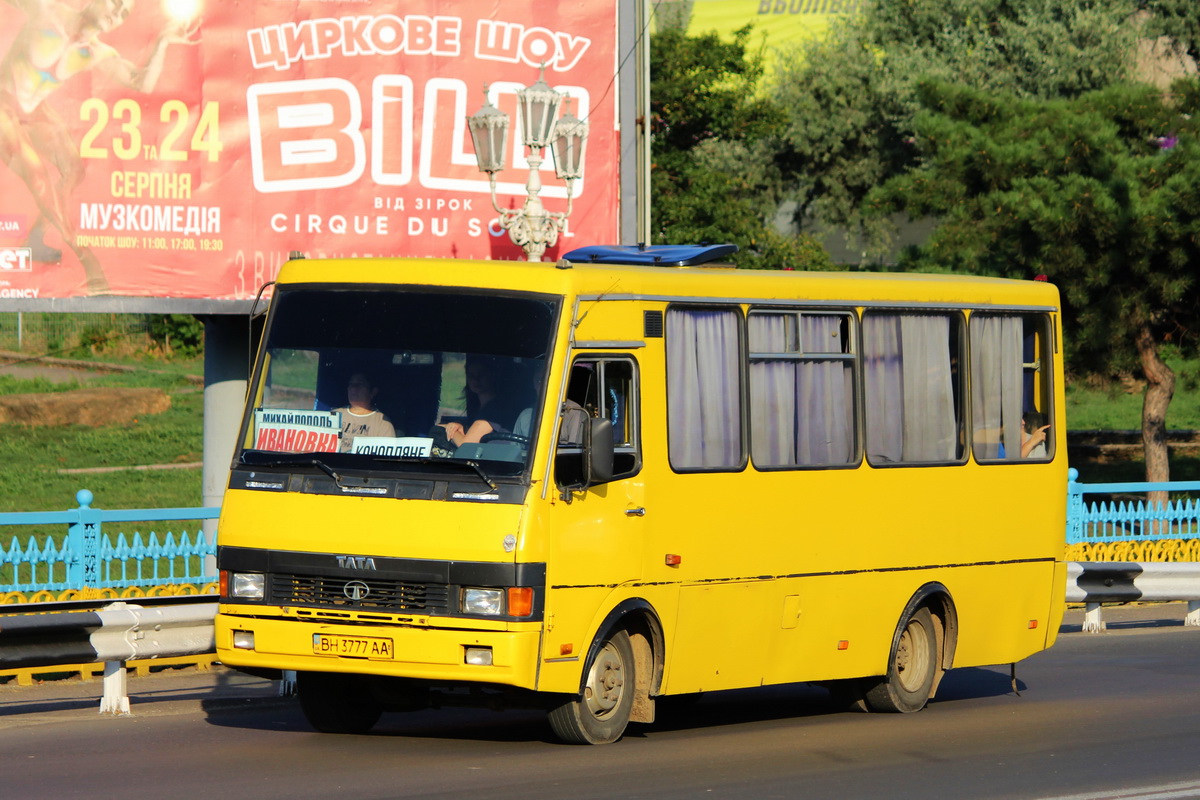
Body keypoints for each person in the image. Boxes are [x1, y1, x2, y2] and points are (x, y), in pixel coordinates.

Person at [0, 0, 199, 292]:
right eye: (116, 4)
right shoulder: (47, 10)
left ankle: (35, 238)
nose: (117, 14)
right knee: (38, 175)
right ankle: (89, 263)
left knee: (73, 170)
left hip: (33, 111)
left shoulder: (96, 52)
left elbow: (140, 82)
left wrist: (162, 42)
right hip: (4, 102)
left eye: (124, 13)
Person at [442, 356, 526, 448]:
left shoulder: (495, 408)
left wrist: (446, 428)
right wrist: (458, 425)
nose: (475, 379)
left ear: (493, 375)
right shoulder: (481, 407)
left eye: (482, 374)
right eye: (471, 375)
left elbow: (466, 446)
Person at [334, 372, 397, 452]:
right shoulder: (334, 415)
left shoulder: (382, 423)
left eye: (359, 385)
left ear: (373, 392)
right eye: (351, 384)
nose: (353, 389)